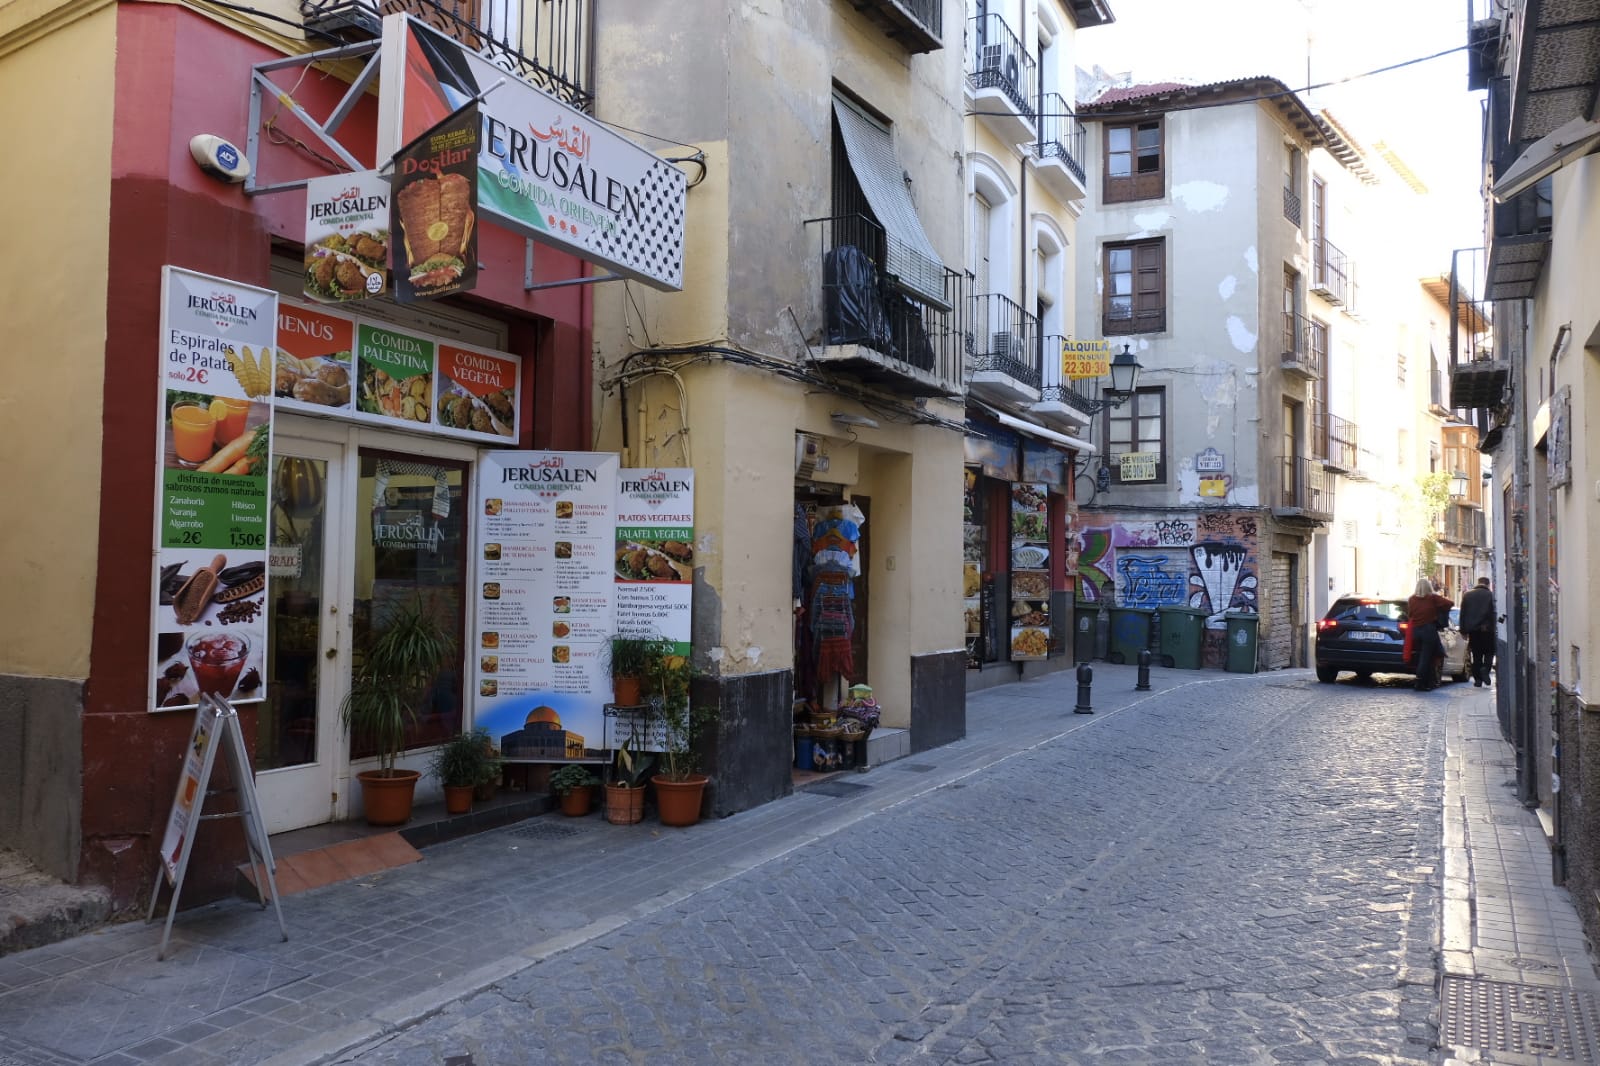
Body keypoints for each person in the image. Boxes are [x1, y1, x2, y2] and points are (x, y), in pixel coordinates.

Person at [1406, 577, 1454, 692]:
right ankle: (1420, 681)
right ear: (1429, 587)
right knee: (1426, 657)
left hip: (1416, 631)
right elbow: (1450, 603)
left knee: (1423, 656)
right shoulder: (1432, 598)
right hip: (1429, 630)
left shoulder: (1411, 599)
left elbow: (1410, 614)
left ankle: (1427, 681)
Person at [1459, 577, 1497, 687]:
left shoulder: (1467, 595)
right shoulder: (1490, 595)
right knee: (1489, 653)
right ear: (1488, 584)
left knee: (1476, 656)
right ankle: (1485, 669)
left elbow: (1463, 614)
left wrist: (1463, 630)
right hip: (1487, 630)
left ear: (1478, 583)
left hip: (1473, 631)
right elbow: (1493, 613)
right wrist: (1492, 626)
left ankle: (1478, 680)